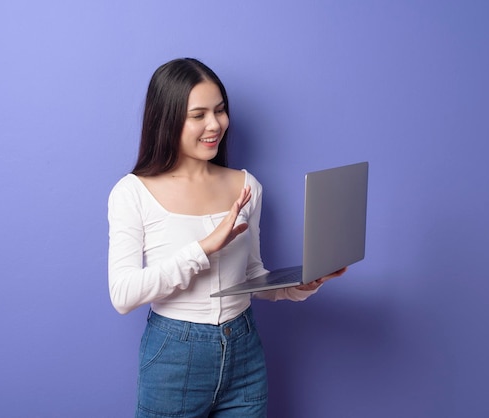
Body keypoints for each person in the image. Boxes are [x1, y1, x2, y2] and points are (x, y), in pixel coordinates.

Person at [108, 58, 346, 417]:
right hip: (174, 355)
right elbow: (123, 295)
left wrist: (302, 283)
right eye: (198, 114)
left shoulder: (247, 185)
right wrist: (204, 248)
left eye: (220, 111)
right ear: (167, 118)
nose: (215, 124)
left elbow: (251, 279)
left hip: (244, 350)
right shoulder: (133, 192)